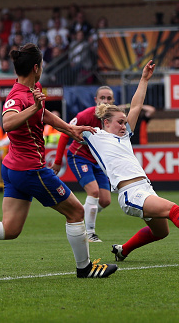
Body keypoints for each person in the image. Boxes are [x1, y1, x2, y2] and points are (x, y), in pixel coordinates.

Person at [0, 43, 117, 279]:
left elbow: (44, 114)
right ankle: (85, 268)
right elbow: (8, 123)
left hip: (14, 169)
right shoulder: (17, 96)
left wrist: (69, 129)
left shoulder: (34, 88)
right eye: (41, 65)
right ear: (36, 67)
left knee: (10, 229)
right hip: (31, 170)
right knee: (76, 213)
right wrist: (34, 108)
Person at [82, 60, 179, 262]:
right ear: (106, 122)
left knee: (161, 232)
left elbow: (137, 105)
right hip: (130, 193)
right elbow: (66, 128)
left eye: (125, 122)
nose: (124, 125)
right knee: (173, 210)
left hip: (145, 189)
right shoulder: (94, 135)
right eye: (120, 122)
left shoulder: (123, 136)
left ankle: (123, 250)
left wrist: (144, 79)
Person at [52, 86, 116, 243]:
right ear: (96, 100)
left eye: (109, 98)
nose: (105, 101)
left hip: (97, 161)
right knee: (93, 192)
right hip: (78, 157)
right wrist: (58, 161)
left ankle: (82, 212)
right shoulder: (85, 115)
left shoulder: (114, 119)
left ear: (113, 101)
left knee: (105, 201)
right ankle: (89, 233)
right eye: (102, 98)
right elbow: (64, 134)